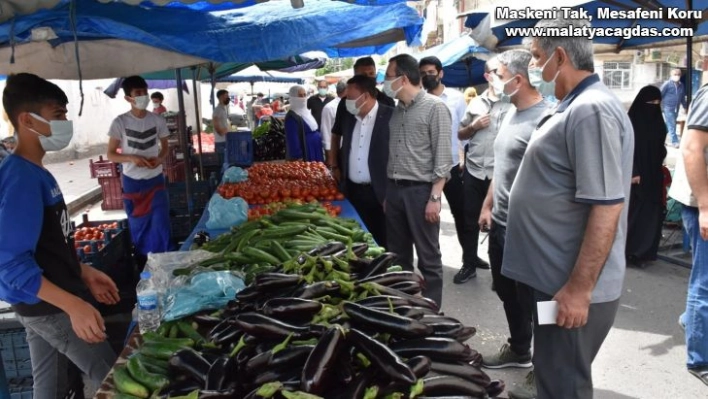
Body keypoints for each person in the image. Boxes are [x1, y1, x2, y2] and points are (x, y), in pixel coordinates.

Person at [502, 19, 634, 399]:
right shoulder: (573, 105)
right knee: (553, 378)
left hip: (569, 289)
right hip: (554, 281)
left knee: (564, 387)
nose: (533, 67)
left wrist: (579, 289)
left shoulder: (591, 110)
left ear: (560, 56)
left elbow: (606, 207)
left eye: (537, 57)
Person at [0, 73, 118, 399]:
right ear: (27, 120)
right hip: (50, 305)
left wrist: (82, 271)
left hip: (43, 302)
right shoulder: (21, 178)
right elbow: (10, 264)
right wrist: (73, 305)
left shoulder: (36, 172)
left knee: (49, 387)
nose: (66, 123)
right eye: (59, 115)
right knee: (116, 379)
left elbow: (48, 245)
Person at [476, 49, 550, 398]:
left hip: (531, 232)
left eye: (496, 73)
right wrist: (489, 205)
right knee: (507, 292)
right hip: (502, 225)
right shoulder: (508, 113)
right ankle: (520, 349)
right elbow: (501, 168)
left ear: (517, 79)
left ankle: (548, 368)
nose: (491, 78)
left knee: (541, 302)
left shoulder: (547, 118)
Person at [383, 54, 453, 308]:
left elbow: (444, 159)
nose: (385, 81)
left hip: (420, 192)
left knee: (428, 258)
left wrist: (435, 197)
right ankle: (405, 308)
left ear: (402, 79)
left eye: (388, 76)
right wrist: (388, 195)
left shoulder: (435, 108)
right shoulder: (396, 112)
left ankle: (432, 315)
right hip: (395, 190)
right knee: (398, 256)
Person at [455, 57, 511, 284]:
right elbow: (460, 134)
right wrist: (474, 126)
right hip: (475, 170)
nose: (502, 77)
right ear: (488, 76)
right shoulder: (475, 103)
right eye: (498, 72)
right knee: (469, 221)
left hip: (500, 174)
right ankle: (469, 264)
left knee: (498, 223)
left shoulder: (513, 103)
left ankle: (501, 271)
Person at [107, 76, 172, 265]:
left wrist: (159, 159)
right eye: (138, 93)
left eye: (145, 92)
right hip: (132, 182)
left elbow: (165, 147)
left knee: (161, 223)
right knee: (140, 225)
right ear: (128, 98)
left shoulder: (157, 120)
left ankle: (165, 261)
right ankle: (144, 262)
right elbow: (111, 154)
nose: (143, 96)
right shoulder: (119, 122)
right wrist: (131, 158)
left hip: (155, 179)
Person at [669, 84, 708, 387]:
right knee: (704, 284)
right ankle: (700, 359)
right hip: (701, 205)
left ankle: (692, 322)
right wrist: (706, 206)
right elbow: (692, 148)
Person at [419, 56, 469, 277]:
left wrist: (464, 159)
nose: (427, 76)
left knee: (462, 215)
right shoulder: (418, 100)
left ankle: (469, 259)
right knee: (429, 216)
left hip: (454, 166)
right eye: (423, 73)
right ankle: (433, 262)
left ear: (440, 73)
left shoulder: (457, 98)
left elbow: (464, 132)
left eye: (431, 72)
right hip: (427, 170)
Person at [337, 75, 392, 248]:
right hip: (353, 191)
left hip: (380, 194)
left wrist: (391, 194)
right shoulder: (348, 117)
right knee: (358, 241)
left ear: (366, 96)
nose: (347, 102)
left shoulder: (391, 116)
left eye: (351, 98)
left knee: (384, 241)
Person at [329, 56, 395, 179]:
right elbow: (336, 134)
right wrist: (334, 165)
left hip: (380, 176)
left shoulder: (387, 103)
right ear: (355, 76)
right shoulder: (346, 104)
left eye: (371, 73)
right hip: (349, 175)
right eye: (363, 74)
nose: (369, 77)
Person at [626, 86, 668, 268]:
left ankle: (644, 252)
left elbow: (660, 146)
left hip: (653, 175)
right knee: (635, 214)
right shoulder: (631, 122)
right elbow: (626, 148)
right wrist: (633, 171)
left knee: (651, 214)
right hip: (637, 176)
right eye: (651, 103)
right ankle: (629, 251)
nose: (655, 106)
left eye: (658, 103)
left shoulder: (659, 121)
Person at [285, 85, 324, 162]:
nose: (303, 98)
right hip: (307, 151)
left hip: (316, 148)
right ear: (293, 97)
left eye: (304, 95)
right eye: (300, 95)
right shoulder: (292, 117)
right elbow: (293, 141)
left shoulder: (306, 112)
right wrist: (298, 157)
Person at [321, 79, 347, 160]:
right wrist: (330, 157)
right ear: (346, 90)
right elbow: (326, 132)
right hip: (336, 151)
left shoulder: (352, 106)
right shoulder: (329, 107)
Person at [661, 68, 687, 147]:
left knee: (668, 125)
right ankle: (674, 142)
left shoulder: (681, 85)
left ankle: (660, 140)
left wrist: (685, 107)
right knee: (672, 124)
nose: (677, 76)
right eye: (675, 74)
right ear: (671, 75)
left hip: (676, 108)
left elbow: (682, 97)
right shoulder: (667, 84)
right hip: (668, 107)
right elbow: (660, 93)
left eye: (678, 74)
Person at [212, 90, 230, 163]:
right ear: (221, 97)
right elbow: (217, 127)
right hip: (220, 142)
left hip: (224, 140)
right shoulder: (217, 110)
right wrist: (226, 130)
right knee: (223, 163)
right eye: (226, 96)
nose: (228, 98)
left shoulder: (223, 109)